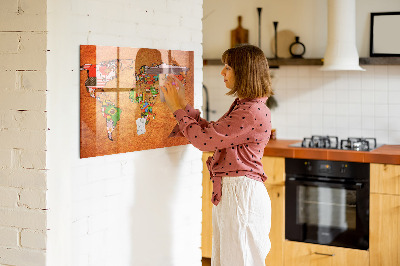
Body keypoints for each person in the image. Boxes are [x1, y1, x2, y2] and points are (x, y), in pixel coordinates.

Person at [161, 44, 273, 266]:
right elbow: (212, 133)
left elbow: (204, 141)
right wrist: (183, 105)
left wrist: (176, 108)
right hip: (236, 193)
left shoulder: (250, 111)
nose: (222, 72)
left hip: (241, 195)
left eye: (228, 67)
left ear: (244, 72)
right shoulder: (246, 106)